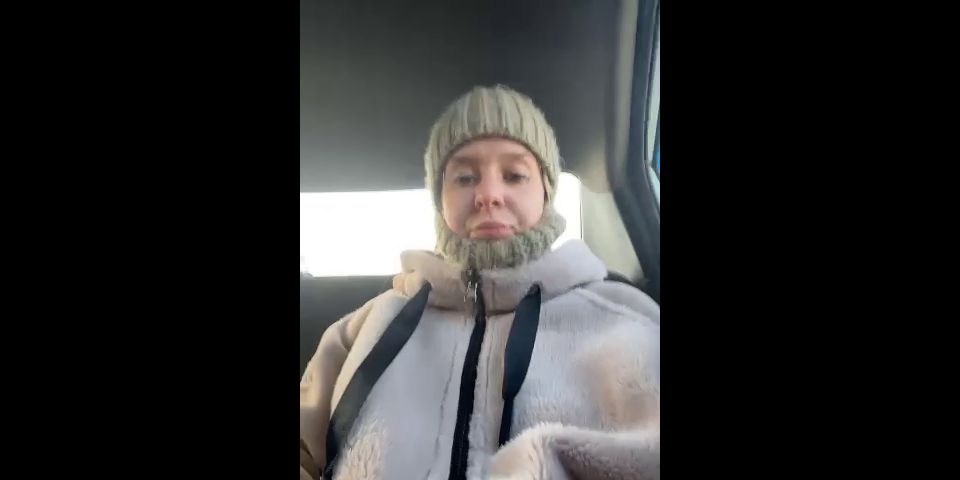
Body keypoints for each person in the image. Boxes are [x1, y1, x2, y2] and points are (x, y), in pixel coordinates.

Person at [300, 85, 660, 480]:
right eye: (465, 177)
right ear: (440, 199)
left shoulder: (628, 319)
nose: (489, 194)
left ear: (546, 191)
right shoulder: (363, 330)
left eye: (515, 175)